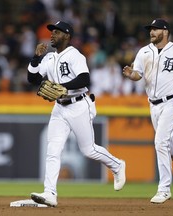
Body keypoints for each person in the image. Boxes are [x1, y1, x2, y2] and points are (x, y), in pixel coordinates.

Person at [27, 21, 126, 207]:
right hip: (59, 108)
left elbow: (84, 78)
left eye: (56, 32)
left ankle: (117, 165)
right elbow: (32, 79)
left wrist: (62, 87)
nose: (52, 35)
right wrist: (35, 58)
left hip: (79, 104)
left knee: (88, 149)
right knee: (53, 150)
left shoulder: (75, 55)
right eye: (52, 32)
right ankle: (50, 193)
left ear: (67, 36)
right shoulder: (48, 58)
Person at [122, 18, 173, 204]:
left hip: (172, 102)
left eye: (155, 29)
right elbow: (138, 74)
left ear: (165, 32)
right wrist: (130, 75)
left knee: (160, 142)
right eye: (150, 29)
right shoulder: (143, 52)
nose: (151, 32)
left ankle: (164, 188)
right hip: (153, 104)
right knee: (171, 143)